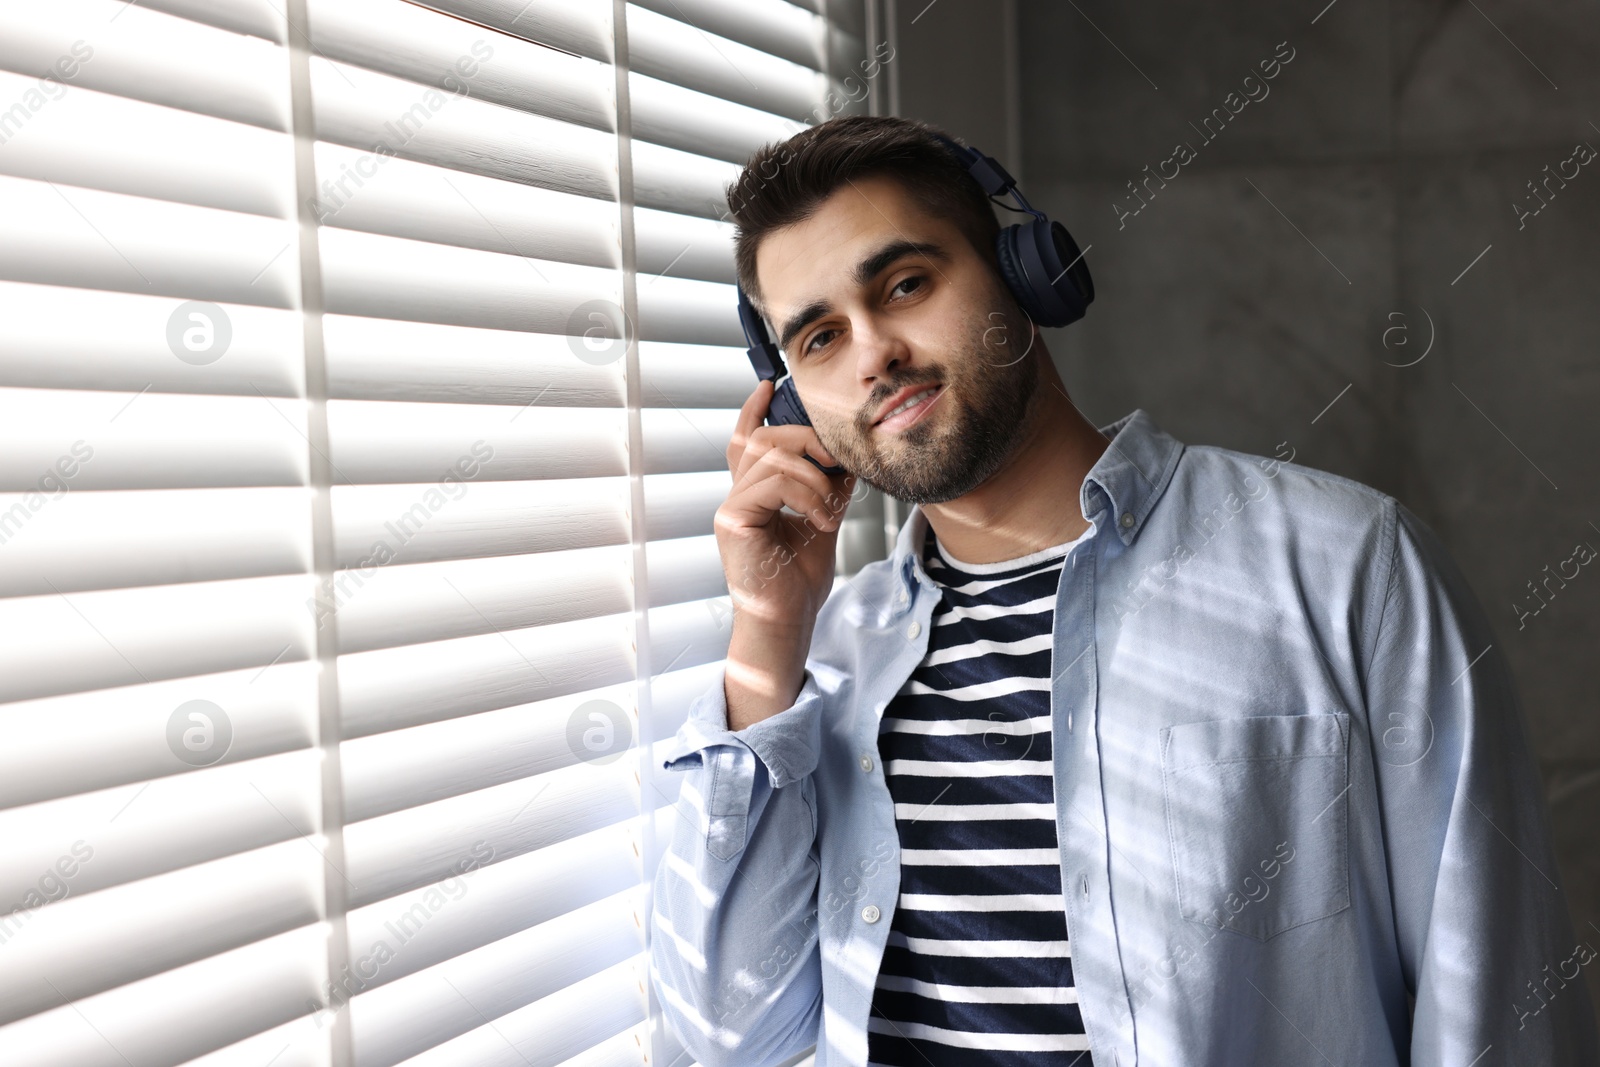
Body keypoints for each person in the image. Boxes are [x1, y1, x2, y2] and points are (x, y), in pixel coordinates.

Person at [648, 114, 1599, 1067]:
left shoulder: (1347, 565)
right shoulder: (820, 659)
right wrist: (766, 636)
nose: (872, 355)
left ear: (1026, 275)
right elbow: (730, 1042)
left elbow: (1497, 1000)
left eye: (905, 284)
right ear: (785, 396)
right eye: (817, 338)